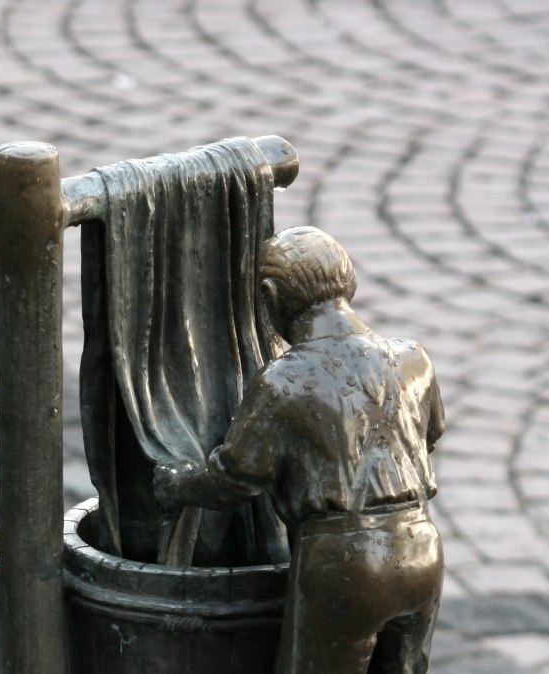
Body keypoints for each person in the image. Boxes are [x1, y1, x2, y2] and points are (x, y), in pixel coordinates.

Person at [154, 226, 445, 674]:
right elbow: (431, 432)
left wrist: (178, 484)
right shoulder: (413, 358)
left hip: (343, 562)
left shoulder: (284, 381)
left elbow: (236, 478)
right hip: (422, 546)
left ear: (270, 298)